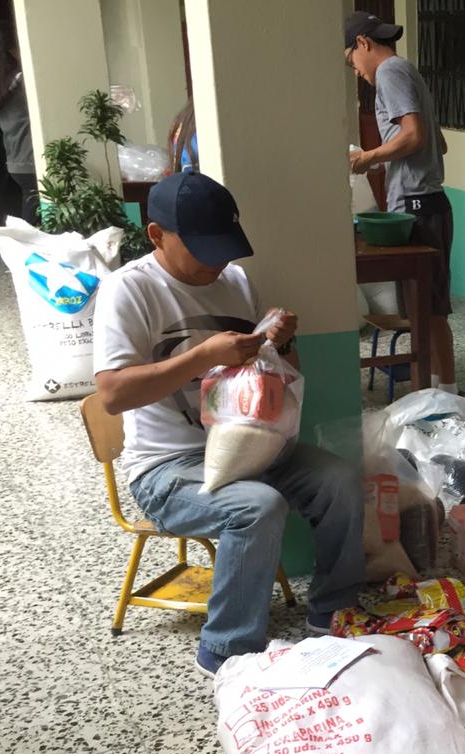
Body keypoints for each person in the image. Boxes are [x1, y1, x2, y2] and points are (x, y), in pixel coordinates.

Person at [92, 171, 365, 677]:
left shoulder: (236, 282)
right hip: (167, 469)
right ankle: (227, 651)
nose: (217, 262)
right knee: (257, 507)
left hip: (251, 448)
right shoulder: (127, 291)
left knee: (342, 480)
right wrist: (201, 357)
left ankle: (333, 610)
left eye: (225, 248)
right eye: (202, 249)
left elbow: (281, 378)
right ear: (157, 235)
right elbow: (111, 396)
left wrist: (279, 344)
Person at [343, 10, 457, 394]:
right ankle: (441, 389)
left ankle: (443, 393)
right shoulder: (408, 72)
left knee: (428, 310)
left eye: (351, 60)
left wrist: (368, 158)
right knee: (428, 308)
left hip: (417, 207)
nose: (355, 70)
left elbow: (414, 137)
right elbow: (437, 142)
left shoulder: (390, 73)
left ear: (363, 43)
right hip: (428, 202)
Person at [0, 20, 37, 223]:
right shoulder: (21, 80)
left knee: (32, 214)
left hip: (17, 163)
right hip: (33, 161)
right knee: (36, 222)